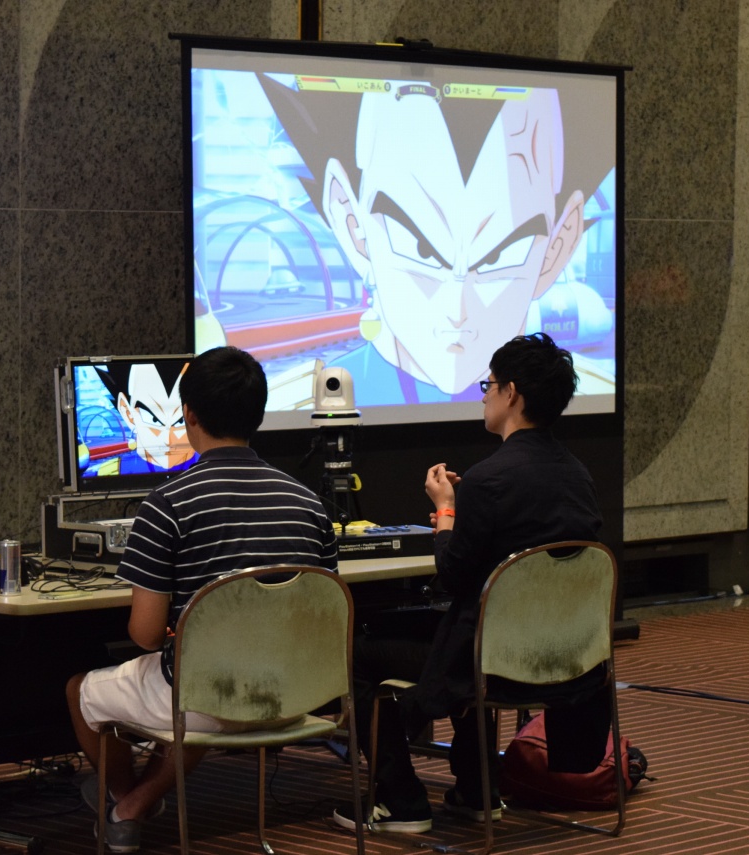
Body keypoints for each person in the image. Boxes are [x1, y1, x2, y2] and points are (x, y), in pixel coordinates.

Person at [65, 346, 338, 854]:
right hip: (296, 695)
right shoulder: (310, 504)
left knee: (82, 690)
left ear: (189, 414)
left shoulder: (167, 506)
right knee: (189, 687)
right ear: (259, 414)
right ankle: (134, 805)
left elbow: (146, 635)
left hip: (209, 699)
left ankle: (128, 803)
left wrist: (185, 628)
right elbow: (322, 612)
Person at [332, 332, 603, 833]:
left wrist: (445, 513)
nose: (483, 396)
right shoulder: (578, 475)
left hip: (494, 663)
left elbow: (454, 576)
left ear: (512, 393)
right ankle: (478, 790)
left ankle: (400, 800)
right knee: (465, 627)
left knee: (358, 652)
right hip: (565, 660)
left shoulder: (489, 479)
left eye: (489, 385)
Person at [259, 75, 614, 405]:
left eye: (498, 257)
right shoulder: (295, 400)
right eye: (420, 250)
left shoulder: (586, 396)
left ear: (558, 246)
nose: (457, 311)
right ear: (352, 223)